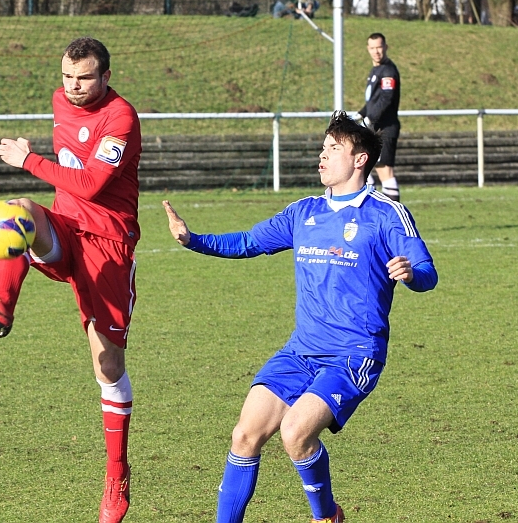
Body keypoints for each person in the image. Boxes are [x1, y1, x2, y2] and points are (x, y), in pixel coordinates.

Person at [162, 112, 438, 523]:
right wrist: (193, 239)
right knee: (245, 434)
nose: (322, 155)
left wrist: (412, 274)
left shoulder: (385, 213)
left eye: (333, 149)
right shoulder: (304, 211)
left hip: (353, 354)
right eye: (323, 147)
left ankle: (326, 516)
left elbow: (427, 272)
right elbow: (249, 242)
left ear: (360, 159)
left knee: (295, 433)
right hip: (301, 350)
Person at [0, 37, 140, 523]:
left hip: (107, 244)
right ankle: (0, 305)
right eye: (67, 77)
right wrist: (35, 169)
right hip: (64, 229)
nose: (73, 86)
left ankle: (116, 474)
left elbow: (92, 184)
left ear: (106, 76)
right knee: (17, 211)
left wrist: (29, 160)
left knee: (108, 366)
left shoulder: (120, 117)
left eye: (85, 77)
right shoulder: (60, 100)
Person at [358, 32, 402, 201]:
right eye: (372, 48)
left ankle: (393, 213)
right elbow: (373, 101)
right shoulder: (375, 70)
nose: (376, 51)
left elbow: (386, 98)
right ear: (368, 49)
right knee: (366, 168)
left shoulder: (388, 70)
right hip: (375, 127)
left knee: (385, 171)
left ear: (386, 47)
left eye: (379, 47)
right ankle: (371, 208)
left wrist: (369, 118)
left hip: (385, 128)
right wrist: (360, 114)